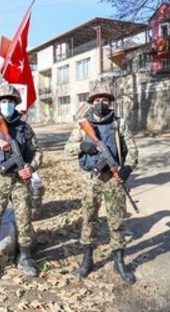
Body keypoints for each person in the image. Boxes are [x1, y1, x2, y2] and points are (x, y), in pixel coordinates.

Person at [64, 83, 139, 284]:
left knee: (117, 221)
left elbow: (132, 149)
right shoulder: (83, 124)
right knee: (89, 219)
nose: (100, 103)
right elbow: (68, 148)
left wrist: (127, 168)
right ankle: (87, 259)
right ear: (91, 102)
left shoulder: (118, 123)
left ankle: (119, 260)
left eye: (104, 99)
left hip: (114, 180)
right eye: (96, 100)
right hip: (91, 179)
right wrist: (83, 146)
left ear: (110, 102)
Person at [0, 84, 43, 283]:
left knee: (24, 221)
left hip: (20, 180)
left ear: (16, 104)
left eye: (10, 101)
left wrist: (31, 168)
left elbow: (38, 151)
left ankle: (25, 257)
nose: (7, 105)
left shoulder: (24, 128)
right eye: (3, 101)